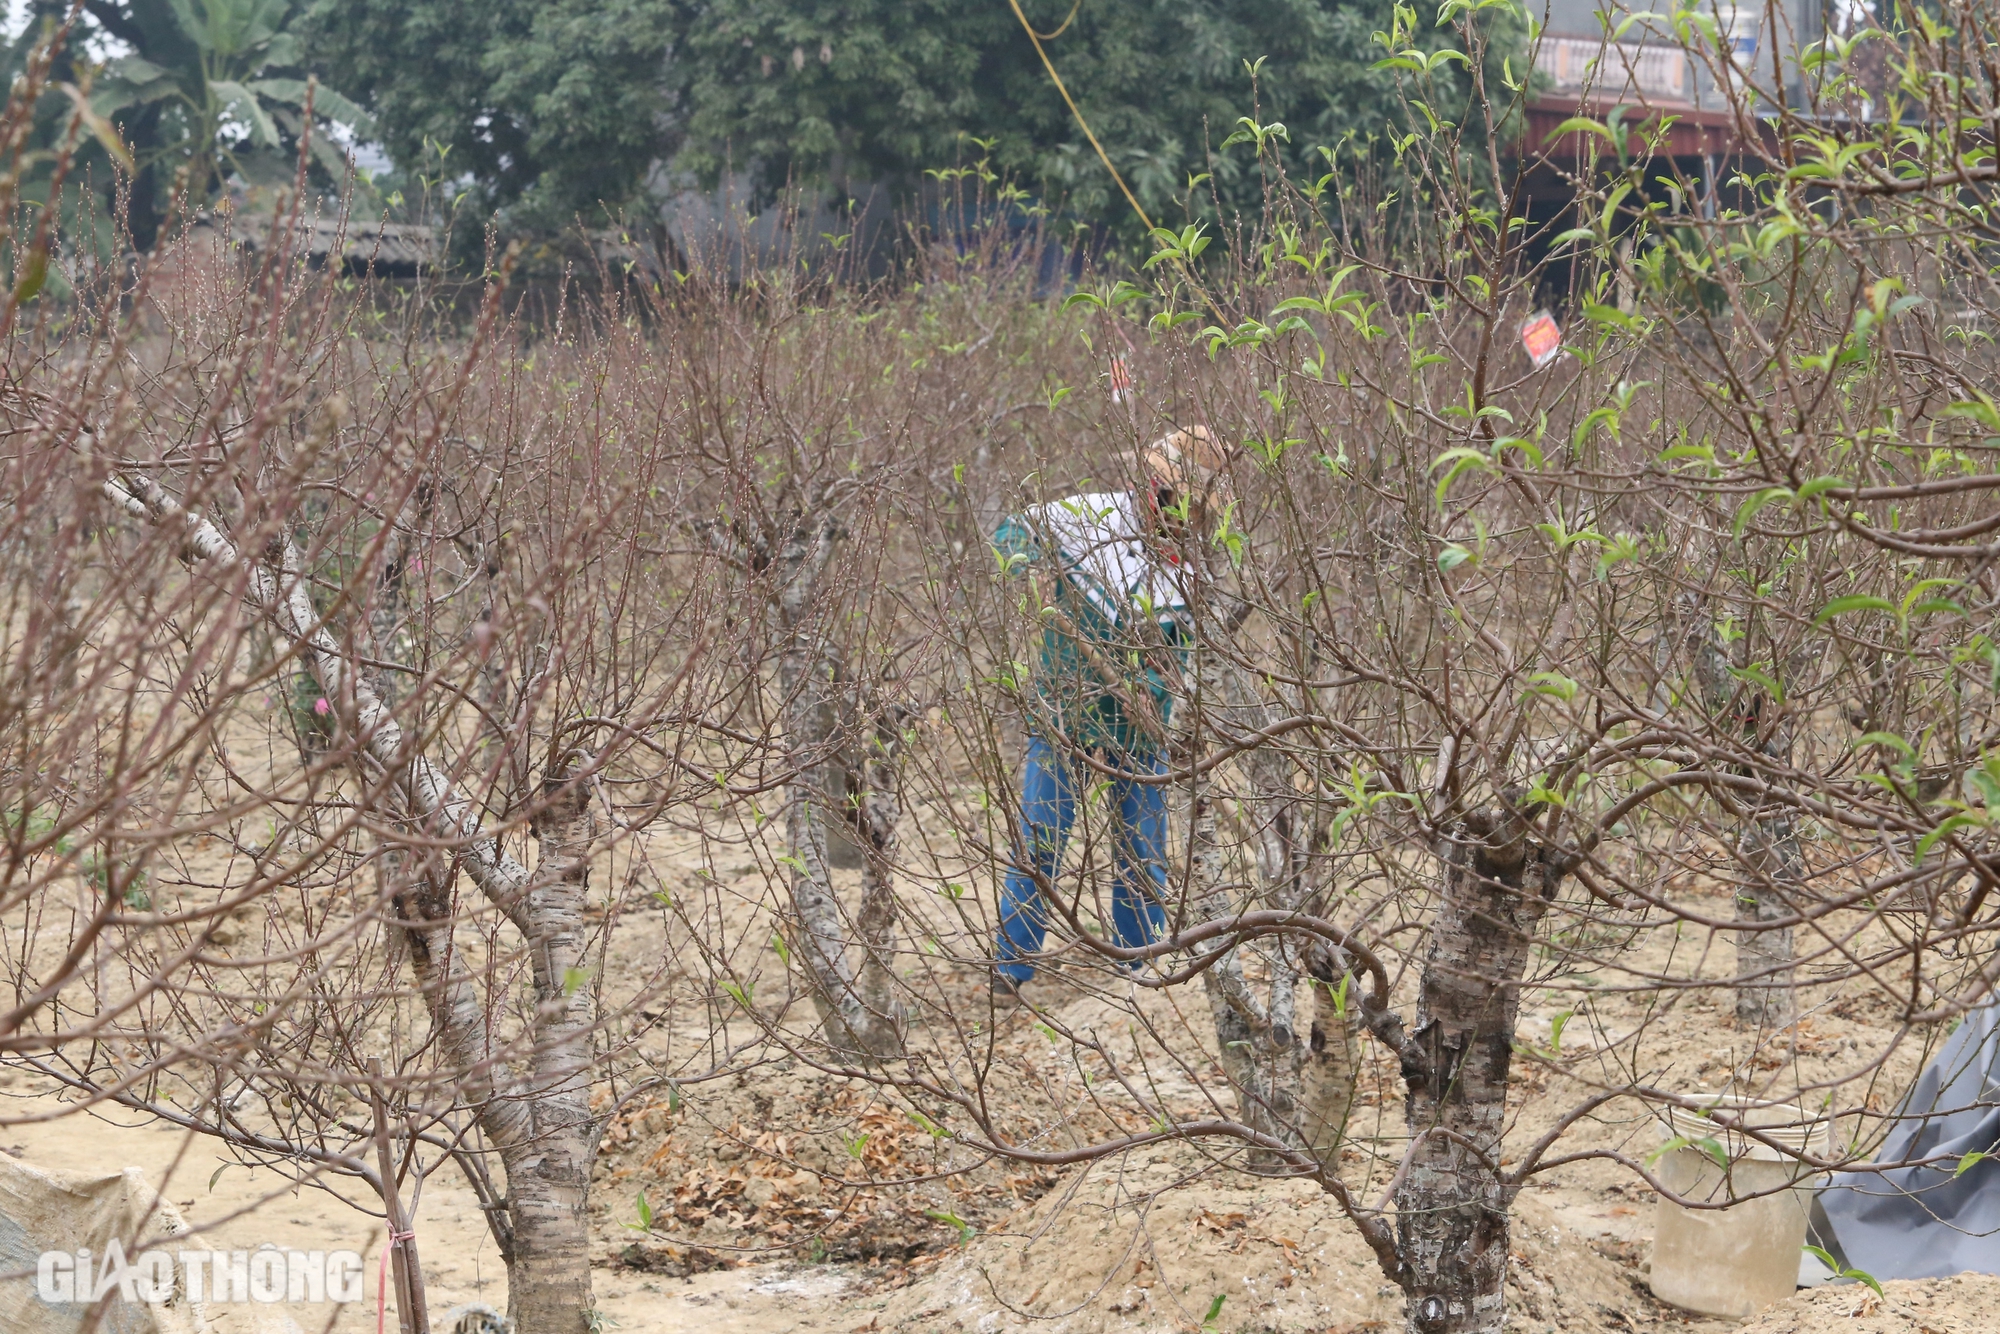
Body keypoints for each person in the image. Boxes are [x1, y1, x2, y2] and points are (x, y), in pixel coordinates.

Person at [988, 427, 1230, 1002]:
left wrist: (1151, 689)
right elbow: (1008, 534)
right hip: (1064, 708)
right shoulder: (1086, 518)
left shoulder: (1190, 566)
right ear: (1154, 491)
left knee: (1143, 842)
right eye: (1175, 502)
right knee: (1042, 837)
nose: (1181, 517)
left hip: (1141, 725)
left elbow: (1178, 654)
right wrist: (1032, 571)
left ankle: (1140, 962)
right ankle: (1011, 964)